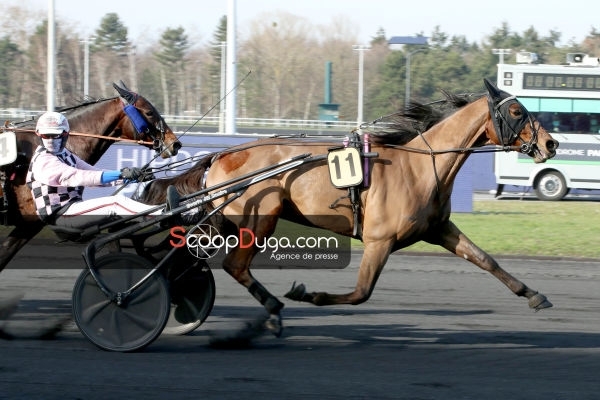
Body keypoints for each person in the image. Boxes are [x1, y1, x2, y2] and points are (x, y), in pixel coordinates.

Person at [26, 111, 178, 230]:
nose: (51, 140)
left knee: (123, 203)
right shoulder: (43, 160)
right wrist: (121, 173)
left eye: (56, 135)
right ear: (39, 135)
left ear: (66, 134)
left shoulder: (64, 154)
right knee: (115, 203)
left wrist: (131, 177)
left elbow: (94, 174)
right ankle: (162, 216)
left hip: (72, 209)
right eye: (47, 135)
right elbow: (80, 177)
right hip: (60, 214)